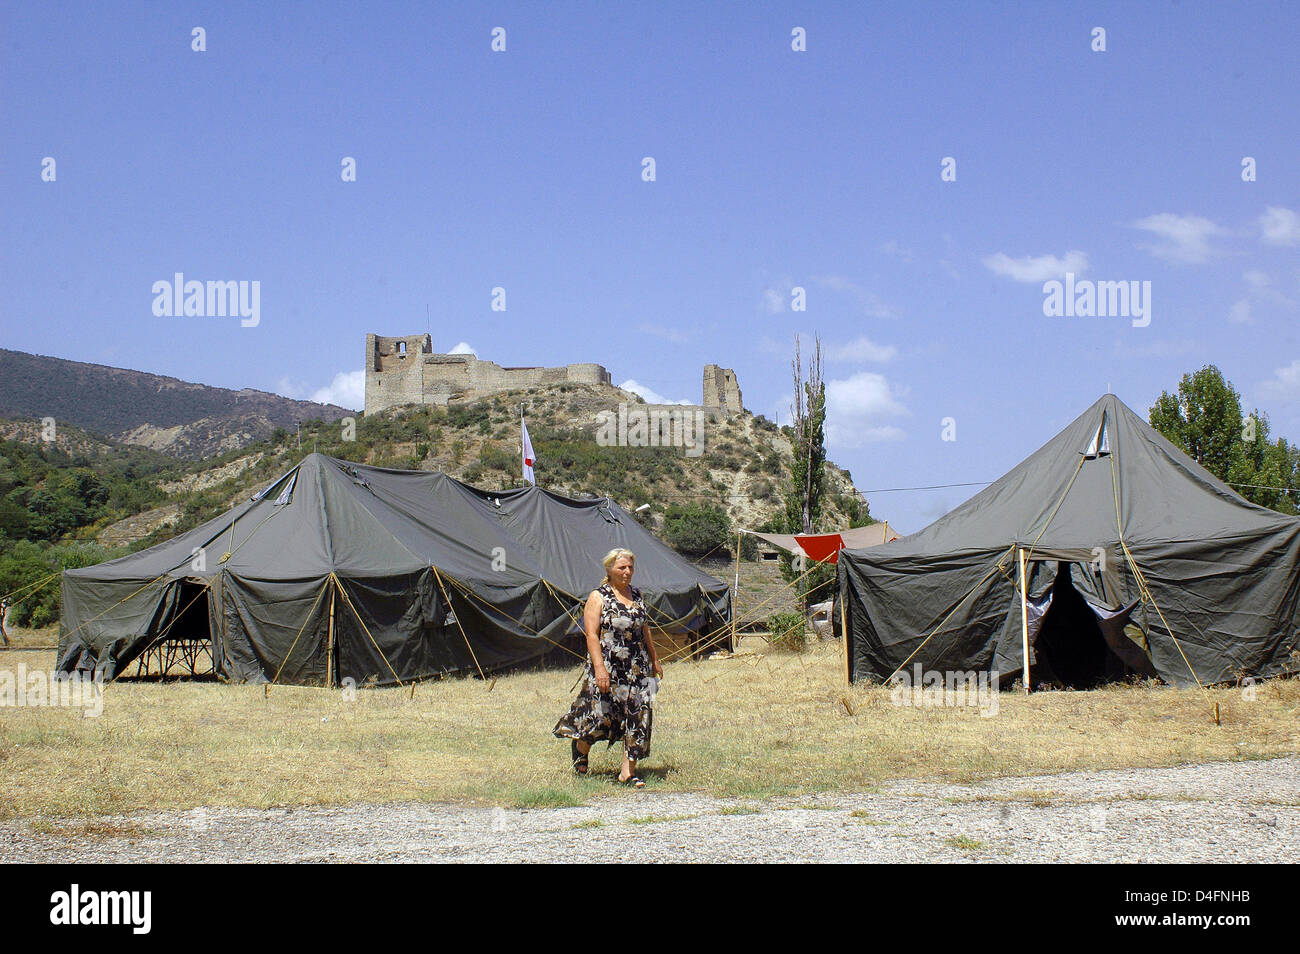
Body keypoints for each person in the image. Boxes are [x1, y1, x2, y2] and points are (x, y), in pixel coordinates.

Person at [553, 548, 663, 788]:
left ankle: (628, 771)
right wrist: (599, 668)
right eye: (622, 567)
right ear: (609, 570)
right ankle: (581, 747)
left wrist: (654, 659)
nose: (627, 572)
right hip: (608, 666)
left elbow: (645, 629)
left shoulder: (637, 594)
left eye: (630, 568)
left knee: (640, 713)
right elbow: (591, 635)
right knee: (601, 715)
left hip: (637, 667)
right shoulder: (598, 596)